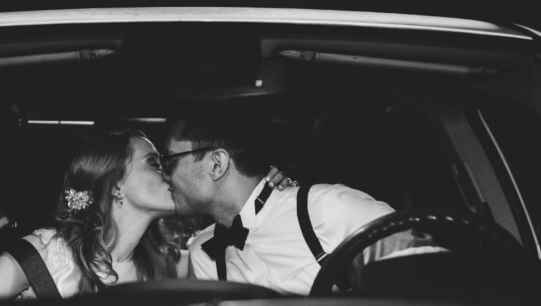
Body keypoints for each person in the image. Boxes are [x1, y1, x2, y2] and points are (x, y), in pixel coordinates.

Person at [0, 128, 295, 300]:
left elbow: (256, 255)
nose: (168, 172)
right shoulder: (50, 254)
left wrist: (265, 196)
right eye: (153, 163)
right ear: (115, 183)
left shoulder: (171, 262)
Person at [163, 115, 431, 295]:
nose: (165, 174)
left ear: (216, 164)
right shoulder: (203, 253)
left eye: (170, 162)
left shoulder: (330, 209)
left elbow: (430, 282)